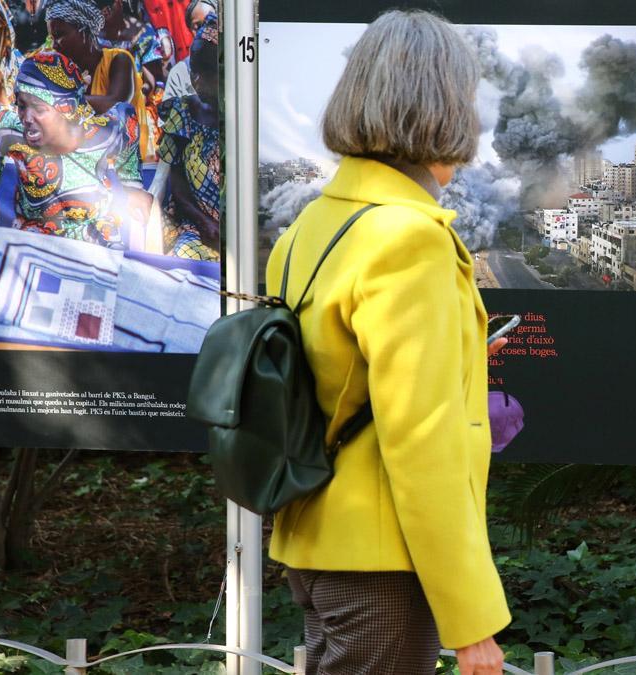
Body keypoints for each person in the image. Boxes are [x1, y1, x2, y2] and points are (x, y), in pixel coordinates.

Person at [265, 10, 508, 675]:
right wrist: (472, 618)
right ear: (444, 106)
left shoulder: (309, 227)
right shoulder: (411, 239)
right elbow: (420, 437)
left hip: (314, 540)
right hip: (381, 568)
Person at [0, 51, 147, 247]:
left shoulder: (103, 134)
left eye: (39, 109)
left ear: (67, 108)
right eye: (22, 106)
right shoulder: (12, 131)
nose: (26, 118)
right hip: (33, 242)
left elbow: (127, 115)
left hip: (94, 241)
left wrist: (132, 185)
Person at [46, 0, 156, 163]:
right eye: (52, 38)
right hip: (85, 169)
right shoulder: (62, 72)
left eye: (60, 35)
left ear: (84, 30)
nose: (54, 45)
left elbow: (116, 104)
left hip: (124, 167)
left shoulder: (119, 60)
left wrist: (60, 102)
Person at [153, 12, 217, 259]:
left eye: (207, 72)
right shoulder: (184, 111)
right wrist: (204, 222)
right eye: (194, 69)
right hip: (197, 226)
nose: (197, 81)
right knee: (186, 255)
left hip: (237, 231)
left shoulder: (245, 121)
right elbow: (177, 188)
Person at [161, 0, 214, 102]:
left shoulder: (233, 66)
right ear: (190, 30)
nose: (205, 31)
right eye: (198, 27)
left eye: (211, 23)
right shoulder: (179, 73)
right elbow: (169, 115)